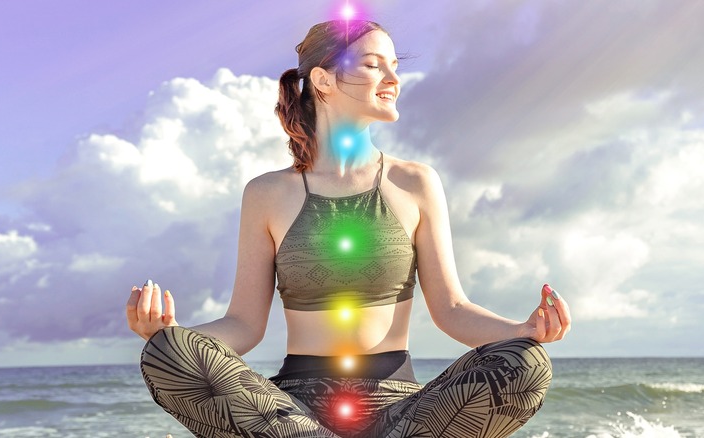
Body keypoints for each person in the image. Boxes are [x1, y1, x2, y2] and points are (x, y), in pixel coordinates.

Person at [126, 20, 571, 438]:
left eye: (396, 67)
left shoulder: (415, 182)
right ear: (323, 80)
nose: (394, 79)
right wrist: (171, 334)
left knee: (526, 363)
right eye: (374, 65)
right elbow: (244, 324)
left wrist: (522, 328)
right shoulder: (266, 193)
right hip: (290, 414)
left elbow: (452, 308)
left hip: (402, 413)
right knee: (167, 354)